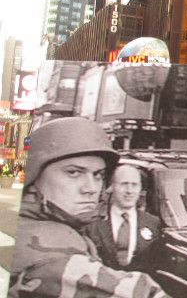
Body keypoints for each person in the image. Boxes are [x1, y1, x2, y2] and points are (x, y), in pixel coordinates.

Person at [9, 117, 170, 298]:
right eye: (74, 173)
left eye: (98, 175)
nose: (91, 189)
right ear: (33, 178)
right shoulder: (51, 256)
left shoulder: (23, 221)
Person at [87, 165, 162, 274]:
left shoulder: (153, 223)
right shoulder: (93, 223)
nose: (129, 191)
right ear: (111, 187)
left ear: (140, 188)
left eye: (134, 185)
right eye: (124, 184)